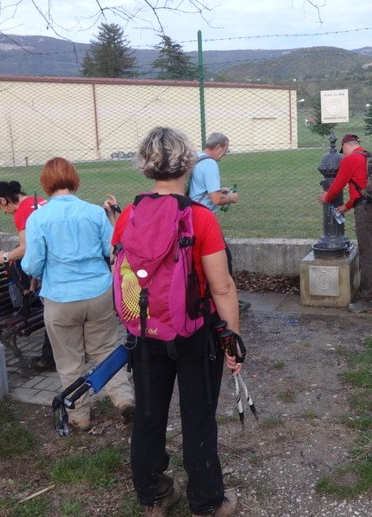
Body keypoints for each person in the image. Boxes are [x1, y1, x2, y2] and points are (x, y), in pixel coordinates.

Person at [114, 126, 241, 517]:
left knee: (149, 414)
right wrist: (232, 338)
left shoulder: (128, 216)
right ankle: (206, 503)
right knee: (198, 416)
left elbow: (123, 274)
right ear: (188, 163)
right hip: (195, 332)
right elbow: (221, 287)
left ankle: (154, 496)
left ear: (146, 165)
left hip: (144, 330)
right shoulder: (200, 218)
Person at [21, 158, 135, 431]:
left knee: (69, 360)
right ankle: (124, 399)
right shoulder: (94, 213)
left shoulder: (37, 218)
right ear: (75, 179)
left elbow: (33, 264)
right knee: (106, 349)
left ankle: (79, 415)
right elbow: (110, 251)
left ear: (46, 184)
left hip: (60, 299)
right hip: (98, 293)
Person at [0, 181, 55, 372]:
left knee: (51, 315)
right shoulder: (39, 201)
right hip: (59, 263)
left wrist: (5, 257)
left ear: (3, 200)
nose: (3, 212)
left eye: (0, 207)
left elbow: (27, 248)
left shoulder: (21, 213)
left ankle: (48, 359)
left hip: (50, 271)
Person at [317, 133, 372, 314]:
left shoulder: (350, 159)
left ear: (346, 146)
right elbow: (362, 190)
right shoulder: (370, 157)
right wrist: (346, 207)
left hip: (366, 212)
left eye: (344, 151)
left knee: (367, 255)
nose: (343, 154)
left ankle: (369, 301)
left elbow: (337, 185)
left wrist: (327, 197)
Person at [188, 132, 250, 312]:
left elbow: (197, 189)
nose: (225, 154)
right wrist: (230, 197)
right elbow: (215, 200)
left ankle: (205, 297)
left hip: (191, 216)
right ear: (218, 147)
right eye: (225, 150)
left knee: (199, 261)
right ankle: (227, 303)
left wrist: (218, 190)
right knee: (224, 261)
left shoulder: (196, 159)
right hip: (204, 220)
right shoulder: (210, 164)